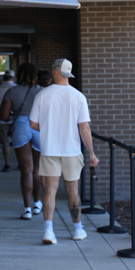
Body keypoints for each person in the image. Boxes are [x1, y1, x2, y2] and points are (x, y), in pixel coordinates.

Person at [29, 59, 99, 244]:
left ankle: (48, 231)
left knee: (49, 191)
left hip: (50, 149)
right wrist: (91, 153)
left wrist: (49, 129)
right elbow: (84, 128)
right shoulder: (78, 96)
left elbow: (33, 124)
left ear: (56, 72)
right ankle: (77, 229)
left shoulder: (42, 95)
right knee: (72, 191)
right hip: (71, 150)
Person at [0, 63, 43, 219]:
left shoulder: (12, 92)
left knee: (26, 170)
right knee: (37, 170)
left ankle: (27, 209)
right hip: (39, 127)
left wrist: (14, 115)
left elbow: (3, 116)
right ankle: (37, 204)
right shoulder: (42, 91)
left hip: (21, 127)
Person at [0, 70, 16, 171]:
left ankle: (7, 164)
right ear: (13, 78)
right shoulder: (17, 88)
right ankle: (20, 162)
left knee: (5, 142)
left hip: (2, 119)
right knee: (18, 142)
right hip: (16, 119)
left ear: (4, 78)